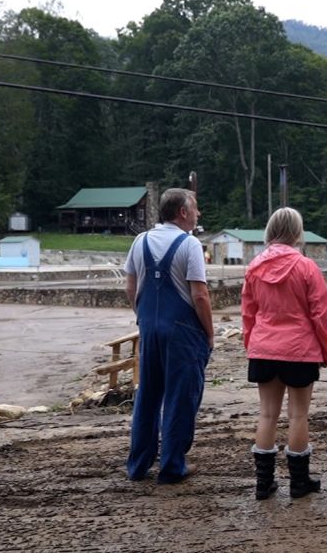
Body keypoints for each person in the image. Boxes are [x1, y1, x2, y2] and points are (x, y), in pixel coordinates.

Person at [242, 207, 327, 500]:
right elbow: (320, 314)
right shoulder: (307, 267)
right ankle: (299, 483)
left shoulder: (254, 267)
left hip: (264, 347)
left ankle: (263, 484)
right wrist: (325, 350)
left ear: (270, 230)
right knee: (298, 416)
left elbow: (248, 313)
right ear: (297, 232)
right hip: (299, 349)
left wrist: (252, 345)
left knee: (267, 414)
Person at [123, 188, 214, 484]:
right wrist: (209, 334)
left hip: (149, 327)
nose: (198, 214)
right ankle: (172, 466)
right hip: (183, 332)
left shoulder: (140, 241)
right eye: (196, 208)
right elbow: (199, 295)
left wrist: (143, 318)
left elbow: (130, 286)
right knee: (180, 397)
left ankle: (138, 465)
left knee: (148, 395)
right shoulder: (190, 245)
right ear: (183, 212)